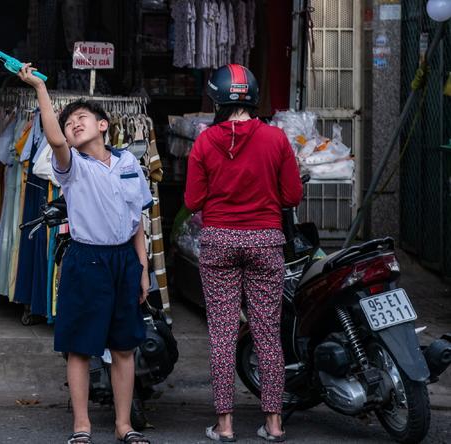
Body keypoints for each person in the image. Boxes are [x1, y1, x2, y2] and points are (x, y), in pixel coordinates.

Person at [18, 64, 152, 444]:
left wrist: (141, 270)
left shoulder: (129, 163)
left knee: (123, 347)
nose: (74, 124)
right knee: (79, 348)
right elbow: (55, 139)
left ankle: (124, 425)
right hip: (86, 260)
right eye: (69, 121)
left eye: (82, 118)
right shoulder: (71, 166)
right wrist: (42, 88)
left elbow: (137, 220)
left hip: (124, 260)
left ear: (104, 124)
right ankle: (82, 426)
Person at [184, 64, 303, 442]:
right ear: (252, 96)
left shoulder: (204, 142)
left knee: (222, 335)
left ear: (216, 97)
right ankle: (273, 423)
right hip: (266, 243)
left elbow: (191, 200)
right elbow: (292, 197)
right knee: (268, 334)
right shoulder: (276, 139)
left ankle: (225, 425)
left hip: (218, 241)